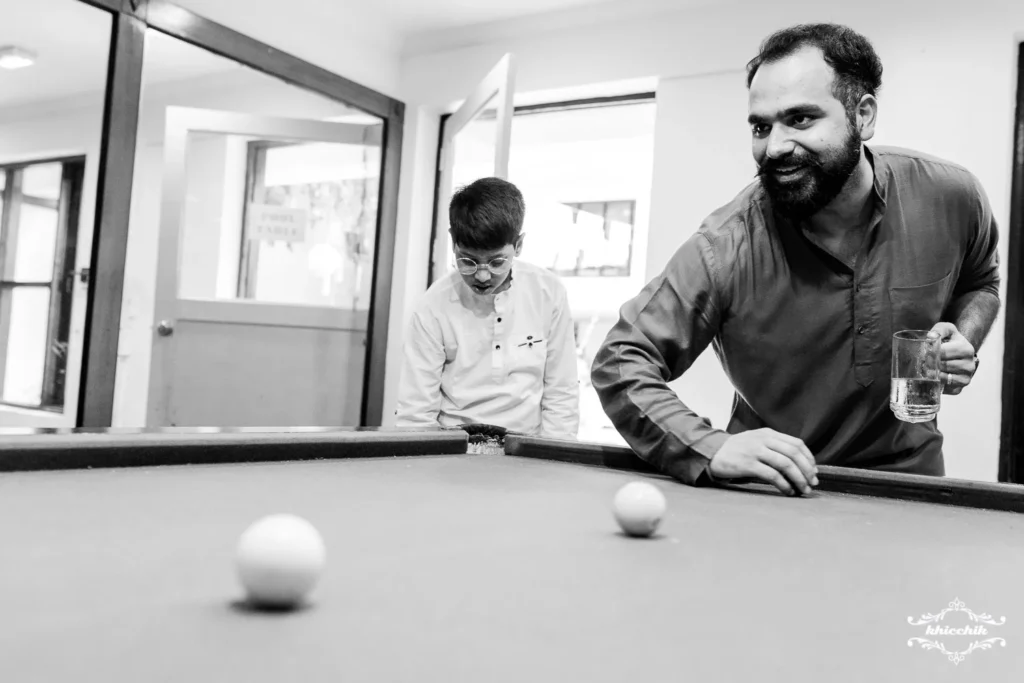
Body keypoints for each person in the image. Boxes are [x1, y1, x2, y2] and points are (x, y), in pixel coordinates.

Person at [591, 23, 1000, 496]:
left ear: (863, 116)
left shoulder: (952, 197)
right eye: (761, 127)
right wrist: (708, 447)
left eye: (801, 119)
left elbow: (981, 282)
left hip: (911, 485)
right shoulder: (724, 245)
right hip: (777, 490)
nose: (775, 147)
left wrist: (964, 338)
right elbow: (620, 361)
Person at [396, 176, 580, 439]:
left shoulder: (548, 293)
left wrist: (554, 455)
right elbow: (416, 410)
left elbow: (562, 391)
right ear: (453, 242)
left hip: (524, 446)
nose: (482, 276)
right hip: (455, 445)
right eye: (467, 261)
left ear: (518, 245)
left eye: (496, 262)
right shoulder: (433, 306)